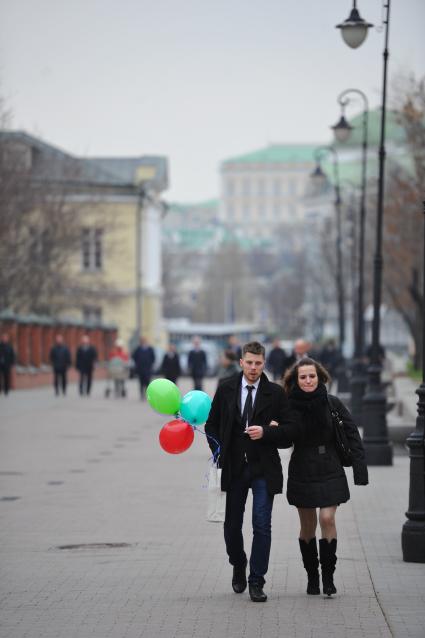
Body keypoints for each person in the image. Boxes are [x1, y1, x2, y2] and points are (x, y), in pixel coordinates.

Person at [205, 341, 295, 603]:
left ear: (263, 363)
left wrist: (268, 431)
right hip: (233, 468)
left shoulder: (276, 394)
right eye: (249, 362)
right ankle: (238, 562)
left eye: (258, 363)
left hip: (263, 469)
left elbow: (289, 434)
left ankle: (257, 580)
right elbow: (211, 426)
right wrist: (218, 451)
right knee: (231, 526)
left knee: (261, 524)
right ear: (241, 362)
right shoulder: (226, 389)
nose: (254, 368)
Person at [281, 357, 368, 597]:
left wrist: (360, 470)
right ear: (296, 381)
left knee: (327, 519)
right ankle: (313, 577)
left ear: (319, 378)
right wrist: (274, 427)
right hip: (302, 469)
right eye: (303, 377)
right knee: (308, 525)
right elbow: (283, 439)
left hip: (330, 466)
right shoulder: (288, 406)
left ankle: (328, 577)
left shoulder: (332, 403)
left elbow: (352, 434)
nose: (308, 380)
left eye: (312, 376)